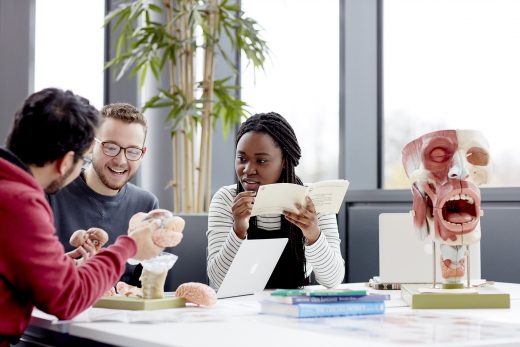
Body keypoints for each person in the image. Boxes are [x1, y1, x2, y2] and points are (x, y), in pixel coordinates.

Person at [0, 88, 162, 346]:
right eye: (84, 158)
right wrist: (129, 246)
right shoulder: (21, 202)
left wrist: (58, 266)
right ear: (65, 162)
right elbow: (66, 300)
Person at [207, 112, 345, 290]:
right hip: (239, 308)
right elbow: (218, 280)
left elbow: (333, 280)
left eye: (261, 160)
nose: (248, 170)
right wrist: (238, 229)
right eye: (242, 159)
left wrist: (313, 234)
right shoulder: (226, 199)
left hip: (294, 307)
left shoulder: (311, 201)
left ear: (285, 162)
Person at [48, 103, 159, 285]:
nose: (121, 160)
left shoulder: (147, 205)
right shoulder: (52, 193)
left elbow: (150, 289)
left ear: (142, 153)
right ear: (91, 145)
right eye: (110, 147)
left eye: (132, 151)